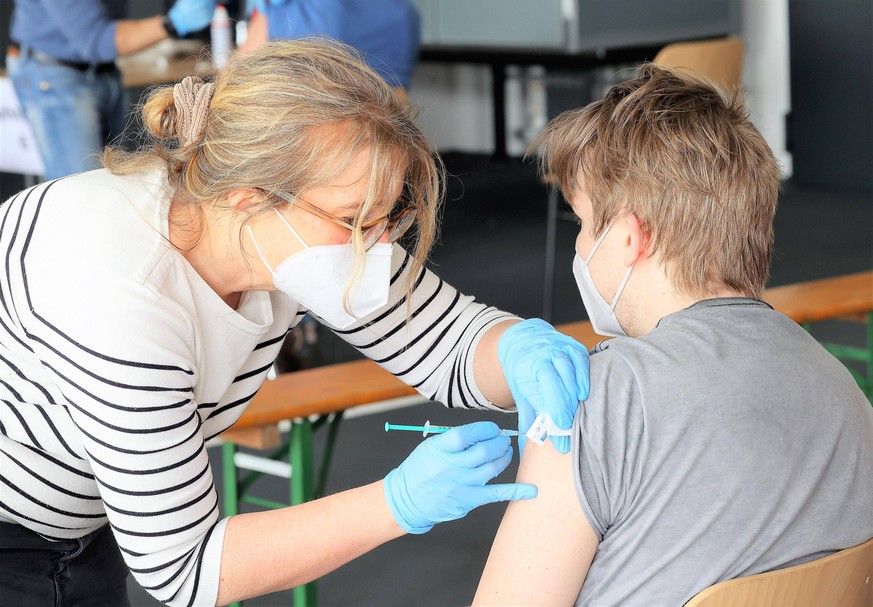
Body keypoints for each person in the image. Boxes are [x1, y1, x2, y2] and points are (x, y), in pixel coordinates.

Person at [0, 39, 589, 606]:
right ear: (246, 197)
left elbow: (448, 344)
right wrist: (395, 503)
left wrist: (517, 348)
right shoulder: (121, 298)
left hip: (80, 515)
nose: (375, 246)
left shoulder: (284, 235)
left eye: (387, 219)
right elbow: (189, 570)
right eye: (353, 220)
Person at [474, 65, 873, 606]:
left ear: (630, 237)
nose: (580, 247)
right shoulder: (844, 390)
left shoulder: (594, 400)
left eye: (585, 224)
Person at [7, 0, 217, 180]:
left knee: (114, 180)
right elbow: (96, 40)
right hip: (54, 73)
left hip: (104, 68)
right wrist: (173, 23)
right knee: (81, 192)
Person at [241, 0, 420, 89]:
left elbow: (238, 80)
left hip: (312, 137)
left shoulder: (302, 13)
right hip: (395, 22)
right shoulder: (402, 15)